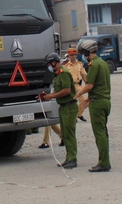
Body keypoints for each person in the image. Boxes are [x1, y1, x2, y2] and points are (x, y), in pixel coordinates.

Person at [75, 39, 112, 172]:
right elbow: (100, 84)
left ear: (87, 52)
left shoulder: (94, 65)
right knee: (104, 132)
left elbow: (89, 85)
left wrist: (78, 94)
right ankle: (105, 160)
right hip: (105, 101)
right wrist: (90, 97)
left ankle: (103, 163)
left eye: (83, 52)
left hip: (98, 103)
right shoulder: (102, 63)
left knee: (99, 133)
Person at [39, 53, 78, 169]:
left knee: (69, 134)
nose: (49, 66)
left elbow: (66, 90)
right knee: (65, 134)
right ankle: (68, 157)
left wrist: (52, 96)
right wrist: (47, 96)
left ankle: (72, 158)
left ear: (54, 62)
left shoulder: (63, 73)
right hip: (63, 107)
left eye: (49, 64)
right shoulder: (57, 74)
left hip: (69, 107)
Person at [64, 47, 89, 122]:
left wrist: (87, 83)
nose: (72, 56)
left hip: (78, 85)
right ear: (68, 56)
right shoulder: (66, 66)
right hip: (70, 86)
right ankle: (73, 117)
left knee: (84, 100)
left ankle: (79, 114)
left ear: (76, 55)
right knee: (71, 103)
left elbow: (83, 74)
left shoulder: (79, 64)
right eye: (71, 55)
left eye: (74, 55)